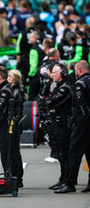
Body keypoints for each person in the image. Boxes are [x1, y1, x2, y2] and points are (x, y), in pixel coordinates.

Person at [55, 60, 90, 193]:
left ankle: (70, 183)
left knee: (74, 151)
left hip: (83, 123)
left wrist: (83, 117)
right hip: (86, 122)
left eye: (75, 70)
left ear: (79, 70)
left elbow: (80, 103)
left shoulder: (80, 83)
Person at [46, 63, 72, 191]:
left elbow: (51, 102)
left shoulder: (66, 87)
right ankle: (63, 179)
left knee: (64, 153)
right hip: (57, 123)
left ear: (61, 74)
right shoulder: (57, 86)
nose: (52, 75)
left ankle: (68, 180)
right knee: (60, 153)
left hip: (64, 124)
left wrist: (49, 103)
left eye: (54, 72)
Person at [7, 69, 25, 188]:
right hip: (16, 123)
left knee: (13, 151)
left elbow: (14, 110)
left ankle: (17, 177)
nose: (7, 78)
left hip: (15, 123)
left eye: (9, 76)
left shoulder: (16, 93)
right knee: (14, 150)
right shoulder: (16, 91)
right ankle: (17, 176)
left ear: (13, 79)